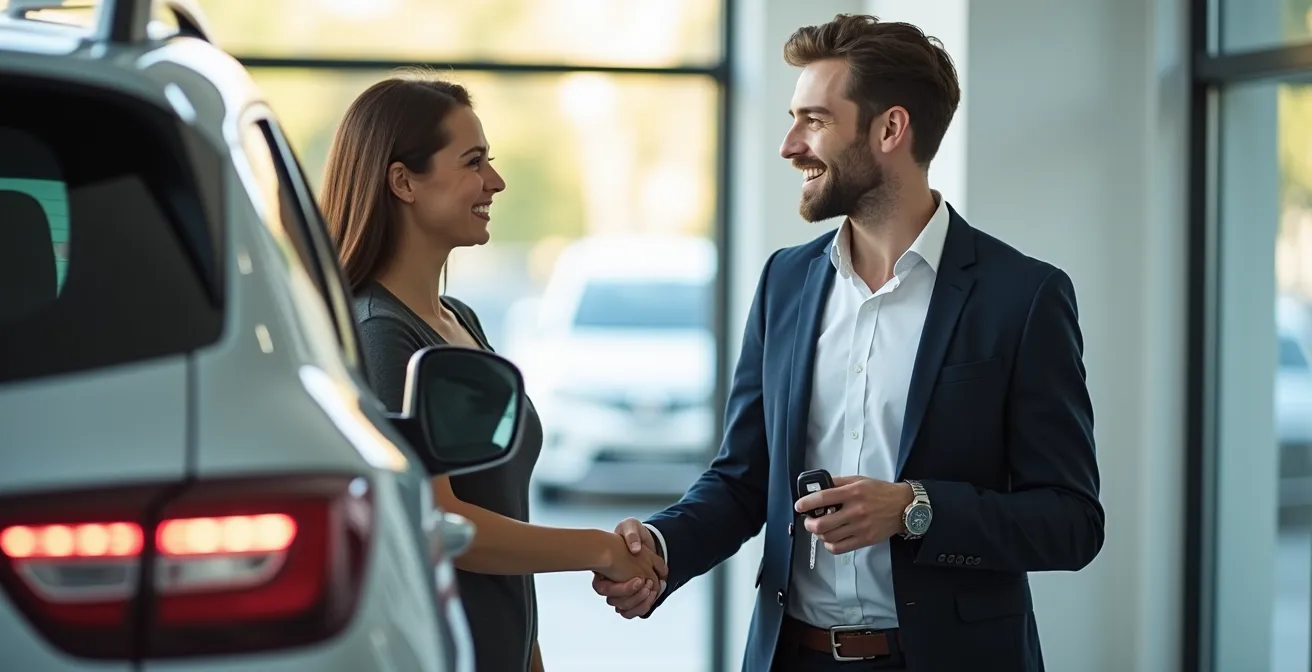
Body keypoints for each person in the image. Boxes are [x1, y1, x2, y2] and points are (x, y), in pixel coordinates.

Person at [592, 14, 1104, 671]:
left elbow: (1070, 523)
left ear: (890, 129)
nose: (789, 144)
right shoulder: (785, 281)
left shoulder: (1022, 297)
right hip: (792, 656)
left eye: (814, 120)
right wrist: (662, 547)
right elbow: (743, 480)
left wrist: (914, 509)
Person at [321, 75, 666, 672]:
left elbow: (502, 507)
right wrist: (601, 549)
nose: (495, 182)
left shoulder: (459, 320)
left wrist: (529, 651)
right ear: (403, 181)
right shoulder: (381, 333)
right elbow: (442, 520)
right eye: (473, 162)